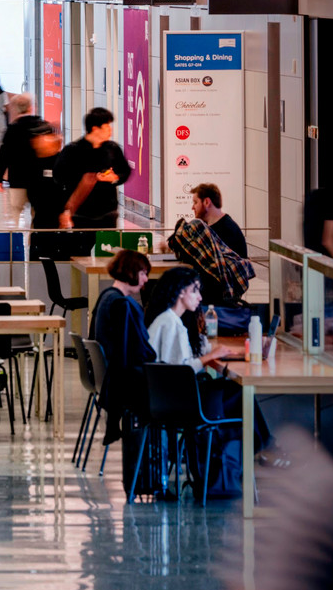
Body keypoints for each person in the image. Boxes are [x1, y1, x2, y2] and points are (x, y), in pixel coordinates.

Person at [144, 265, 268, 452]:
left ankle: (255, 450)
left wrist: (214, 352)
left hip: (168, 398)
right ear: (181, 292)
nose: (200, 297)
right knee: (239, 393)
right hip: (180, 402)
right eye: (195, 291)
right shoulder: (171, 324)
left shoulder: (167, 319)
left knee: (233, 391)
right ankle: (262, 449)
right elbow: (180, 370)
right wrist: (210, 356)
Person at [88, 249, 154, 447]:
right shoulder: (122, 305)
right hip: (121, 383)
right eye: (143, 273)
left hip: (106, 379)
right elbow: (132, 353)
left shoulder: (106, 297)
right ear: (132, 272)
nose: (146, 280)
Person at [55, 107, 131, 233]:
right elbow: (59, 176)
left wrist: (114, 178)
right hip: (81, 214)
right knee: (81, 251)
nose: (110, 130)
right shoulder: (73, 151)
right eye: (107, 126)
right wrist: (85, 177)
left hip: (108, 212)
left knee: (107, 249)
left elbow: (125, 171)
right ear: (95, 129)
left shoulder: (112, 149)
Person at [0, 93, 58, 222]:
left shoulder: (12, 129)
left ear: (16, 109)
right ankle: (34, 240)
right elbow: (53, 154)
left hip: (17, 179)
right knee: (38, 214)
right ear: (31, 107)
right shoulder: (44, 126)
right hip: (40, 180)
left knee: (15, 213)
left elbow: (4, 154)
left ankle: (16, 239)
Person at [191, 184, 245, 257]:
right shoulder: (212, 227)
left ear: (207, 202)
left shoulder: (227, 230)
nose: (192, 207)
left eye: (195, 202)